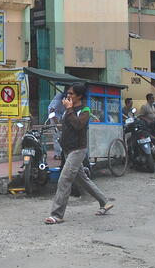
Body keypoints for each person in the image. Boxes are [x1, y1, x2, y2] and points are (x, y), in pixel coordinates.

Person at [44, 83, 113, 224]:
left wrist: (69, 110)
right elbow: (66, 125)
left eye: (71, 94)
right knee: (83, 179)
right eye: (68, 93)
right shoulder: (67, 110)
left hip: (78, 150)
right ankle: (104, 202)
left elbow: (78, 125)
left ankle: (57, 214)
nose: (68, 96)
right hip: (67, 150)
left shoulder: (85, 110)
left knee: (64, 180)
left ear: (79, 96)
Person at [48, 91, 64, 159]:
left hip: (62, 115)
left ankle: (63, 152)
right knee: (56, 135)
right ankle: (58, 154)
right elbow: (52, 110)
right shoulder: (59, 96)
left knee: (62, 134)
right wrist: (57, 124)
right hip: (54, 115)